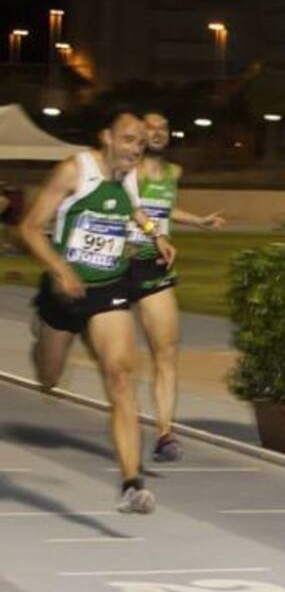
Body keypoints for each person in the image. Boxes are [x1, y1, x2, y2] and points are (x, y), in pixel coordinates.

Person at [19, 107, 175, 513]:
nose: (135, 149)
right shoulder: (74, 170)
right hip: (64, 291)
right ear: (106, 137)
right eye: (128, 140)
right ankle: (43, 331)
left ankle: (131, 484)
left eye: (141, 144)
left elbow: (133, 208)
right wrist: (60, 270)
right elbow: (29, 228)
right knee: (49, 378)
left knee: (121, 375)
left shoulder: (128, 175)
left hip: (108, 287)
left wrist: (154, 236)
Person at [127, 111, 224, 462]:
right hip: (116, 265)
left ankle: (164, 434)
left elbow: (164, 209)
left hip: (153, 266)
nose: (157, 132)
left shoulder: (173, 173)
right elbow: (127, 207)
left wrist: (198, 221)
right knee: (108, 355)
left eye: (163, 127)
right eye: (150, 127)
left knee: (165, 353)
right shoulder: (127, 170)